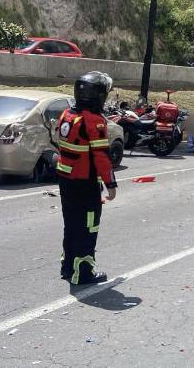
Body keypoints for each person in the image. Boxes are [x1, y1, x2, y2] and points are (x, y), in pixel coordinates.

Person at [56, 71, 118, 285]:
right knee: (88, 227)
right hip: (85, 184)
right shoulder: (95, 121)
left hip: (66, 181)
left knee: (71, 225)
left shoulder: (67, 115)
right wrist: (111, 184)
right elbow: (101, 157)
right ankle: (83, 273)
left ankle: (68, 268)